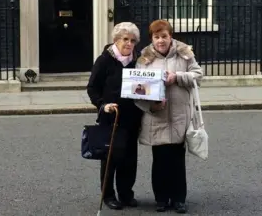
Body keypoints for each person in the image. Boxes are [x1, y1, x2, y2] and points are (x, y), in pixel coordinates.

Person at [134, 19, 203, 213]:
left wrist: (177, 77)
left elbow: (198, 75)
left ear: (170, 36)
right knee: (160, 161)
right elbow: (138, 89)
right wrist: (153, 105)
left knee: (177, 161)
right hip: (157, 117)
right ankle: (162, 199)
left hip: (180, 115)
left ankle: (179, 199)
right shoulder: (144, 59)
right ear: (152, 39)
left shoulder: (184, 54)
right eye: (156, 37)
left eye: (164, 36)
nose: (161, 41)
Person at [86, 22, 143, 210]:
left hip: (132, 116)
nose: (129, 43)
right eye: (125, 39)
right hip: (111, 116)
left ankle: (126, 193)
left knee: (129, 158)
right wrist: (103, 105)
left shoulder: (138, 60)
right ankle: (108, 195)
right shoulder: (104, 60)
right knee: (110, 157)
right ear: (116, 40)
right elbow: (92, 88)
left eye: (132, 40)